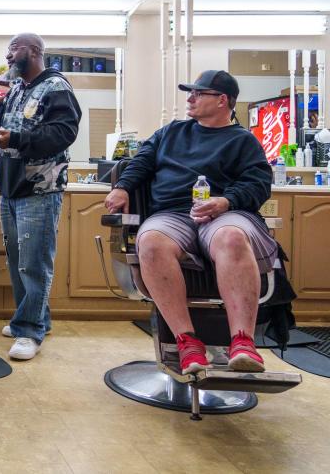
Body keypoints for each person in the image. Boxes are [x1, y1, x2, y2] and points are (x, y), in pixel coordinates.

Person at [104, 70, 273, 374]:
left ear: (223, 100)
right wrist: (122, 186)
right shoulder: (171, 133)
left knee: (231, 237)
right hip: (173, 214)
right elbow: (141, 161)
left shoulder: (243, 141)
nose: (190, 98)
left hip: (224, 213)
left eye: (199, 93)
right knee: (152, 241)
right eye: (190, 93)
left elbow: (258, 183)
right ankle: (187, 343)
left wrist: (226, 201)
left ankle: (243, 342)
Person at [0, 32, 82, 360]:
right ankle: (38, 318)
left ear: (34, 51)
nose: (8, 55)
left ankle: (29, 330)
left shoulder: (56, 87)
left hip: (39, 189)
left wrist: (17, 139)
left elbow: (64, 133)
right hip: (11, 187)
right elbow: (4, 133)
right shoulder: (18, 89)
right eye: (8, 50)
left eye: (14, 49)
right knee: (17, 262)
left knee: (34, 263)